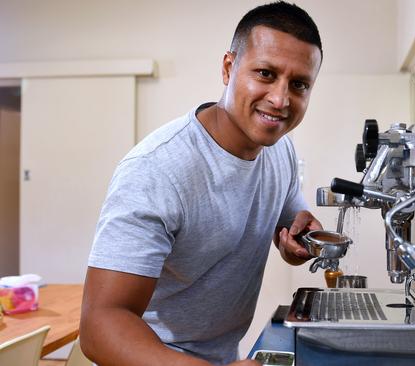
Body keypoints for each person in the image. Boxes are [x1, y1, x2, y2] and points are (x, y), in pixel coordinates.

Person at [79, 2, 323, 365]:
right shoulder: (158, 169)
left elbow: (288, 215)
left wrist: (297, 236)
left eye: (299, 84)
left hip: (222, 356)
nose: (280, 99)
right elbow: (101, 326)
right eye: (266, 74)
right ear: (229, 67)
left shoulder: (280, 150)